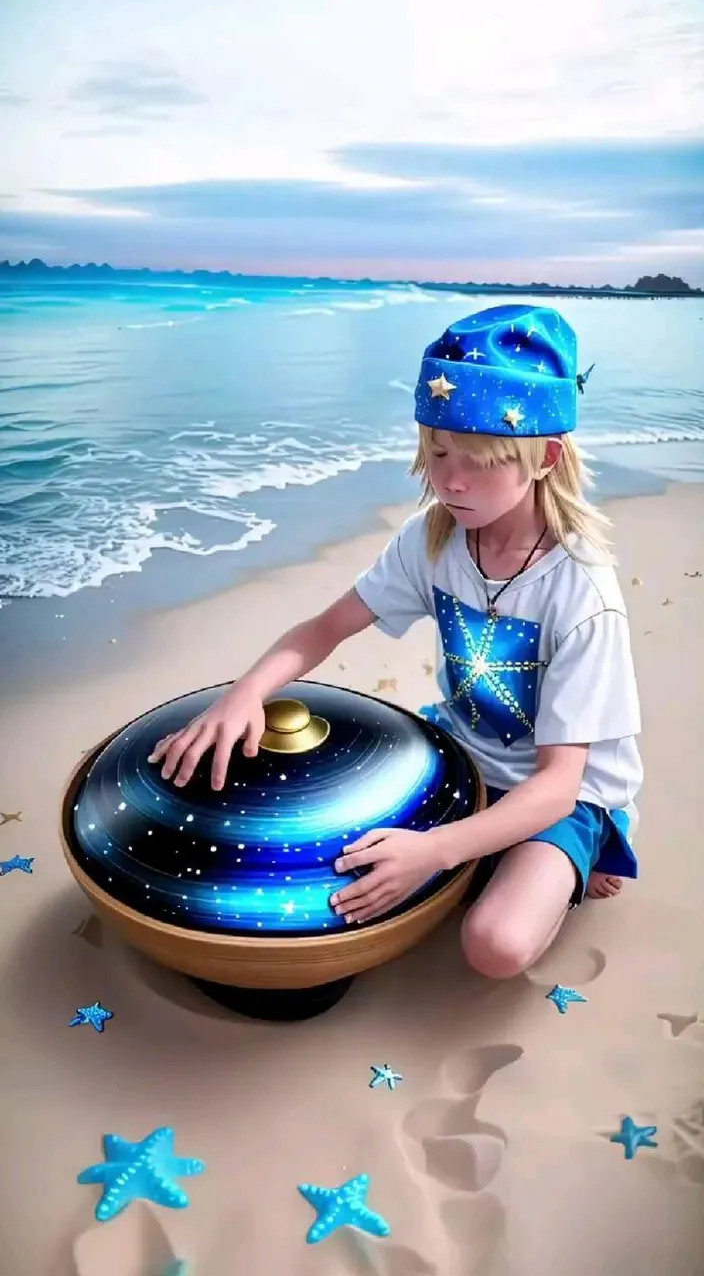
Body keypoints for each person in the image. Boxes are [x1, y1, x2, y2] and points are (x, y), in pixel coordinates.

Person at [148, 304, 642, 981]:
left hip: (560, 792)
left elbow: (558, 783)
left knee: (494, 947)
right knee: (320, 850)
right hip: (462, 749)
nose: (450, 480)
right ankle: (486, 850)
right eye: (438, 452)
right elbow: (324, 628)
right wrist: (245, 695)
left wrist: (437, 850)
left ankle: (590, 849)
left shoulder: (581, 592)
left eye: (479, 461)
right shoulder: (433, 538)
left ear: (543, 457)